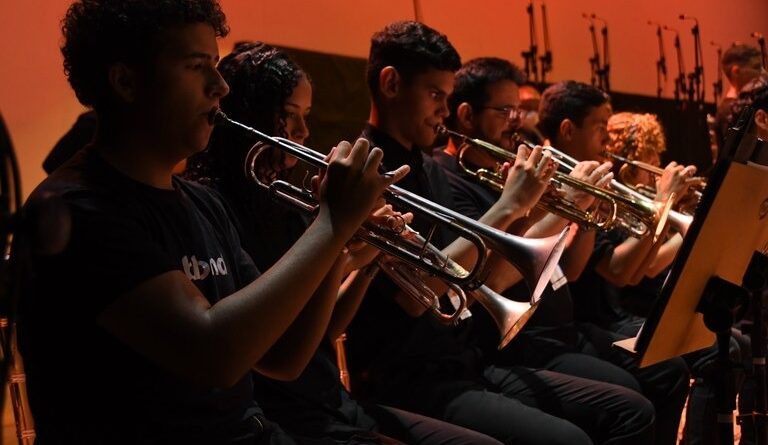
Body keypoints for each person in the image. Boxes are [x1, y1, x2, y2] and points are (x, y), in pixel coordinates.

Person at [17, 1, 407, 443]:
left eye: (216, 66)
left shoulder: (202, 204)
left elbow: (284, 356)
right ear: (126, 81)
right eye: (197, 66)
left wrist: (337, 240)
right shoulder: (78, 208)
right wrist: (330, 223)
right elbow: (214, 354)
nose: (220, 86)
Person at [347, 21, 656, 445]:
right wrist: (510, 207)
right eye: (435, 95)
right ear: (391, 84)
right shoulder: (366, 175)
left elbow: (481, 275)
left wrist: (535, 212)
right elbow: (419, 295)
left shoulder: (429, 170)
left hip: (465, 359)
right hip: (409, 376)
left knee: (629, 408)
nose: (444, 110)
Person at [185, 40, 502, 445]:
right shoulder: (219, 208)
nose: (303, 132)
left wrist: (368, 258)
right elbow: (282, 355)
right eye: (289, 115)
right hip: (290, 411)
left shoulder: (287, 208)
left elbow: (327, 327)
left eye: (306, 116)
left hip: (332, 400)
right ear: (252, 116)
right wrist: (335, 230)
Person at [537, 81, 697, 445]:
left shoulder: (593, 177)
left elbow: (635, 271)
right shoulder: (546, 179)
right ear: (568, 130)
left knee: (681, 364)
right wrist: (663, 206)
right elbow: (621, 272)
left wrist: (664, 211)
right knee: (648, 384)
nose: (606, 142)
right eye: (600, 129)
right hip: (585, 319)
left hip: (600, 315)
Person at [714, 44, 767, 157]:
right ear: (736, 71)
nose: (763, 72)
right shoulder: (727, 111)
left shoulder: (759, 98)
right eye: (756, 67)